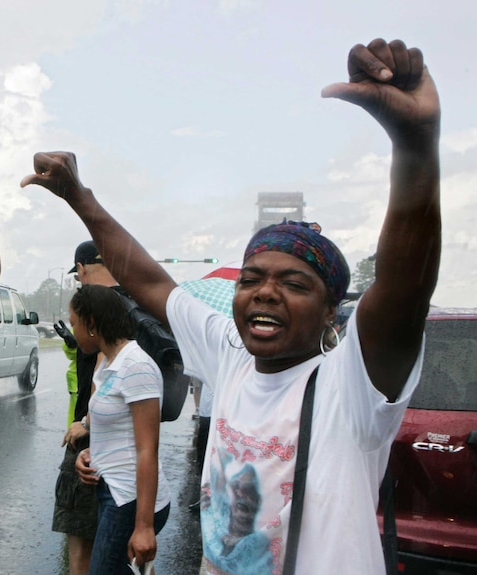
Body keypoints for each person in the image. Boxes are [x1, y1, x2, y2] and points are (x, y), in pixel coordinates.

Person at [22, 38, 440, 574]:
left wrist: (415, 145)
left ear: (331, 307)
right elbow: (148, 279)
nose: (264, 292)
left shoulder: (350, 385)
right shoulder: (231, 354)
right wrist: (80, 197)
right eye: (252, 279)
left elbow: (405, 288)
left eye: (293, 282)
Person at [70, 284, 171, 575]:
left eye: (76, 324)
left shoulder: (136, 366)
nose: (73, 332)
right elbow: (115, 428)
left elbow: (147, 448)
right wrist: (90, 455)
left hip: (131, 500)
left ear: (91, 324)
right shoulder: (107, 363)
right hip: (112, 491)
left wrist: (144, 527)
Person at [51, 240, 124, 575]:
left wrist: (87, 422)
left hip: (92, 443)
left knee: (80, 547)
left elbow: (102, 364)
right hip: (128, 445)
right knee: (122, 548)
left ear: (81, 268)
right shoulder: (131, 305)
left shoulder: (94, 308)